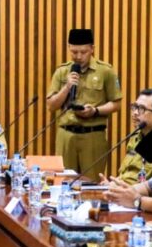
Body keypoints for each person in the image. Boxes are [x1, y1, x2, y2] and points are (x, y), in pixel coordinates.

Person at [45, 28, 122, 173]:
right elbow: (51, 106)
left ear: (92, 49)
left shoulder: (105, 71)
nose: (78, 56)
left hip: (93, 135)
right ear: (69, 48)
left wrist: (95, 111)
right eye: (74, 52)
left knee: (91, 181)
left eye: (83, 52)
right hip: (66, 135)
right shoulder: (62, 72)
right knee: (63, 180)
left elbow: (116, 104)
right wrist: (67, 87)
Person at [113, 88, 152, 185]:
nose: (135, 112)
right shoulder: (135, 137)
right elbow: (126, 172)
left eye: (141, 109)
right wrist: (113, 183)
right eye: (135, 107)